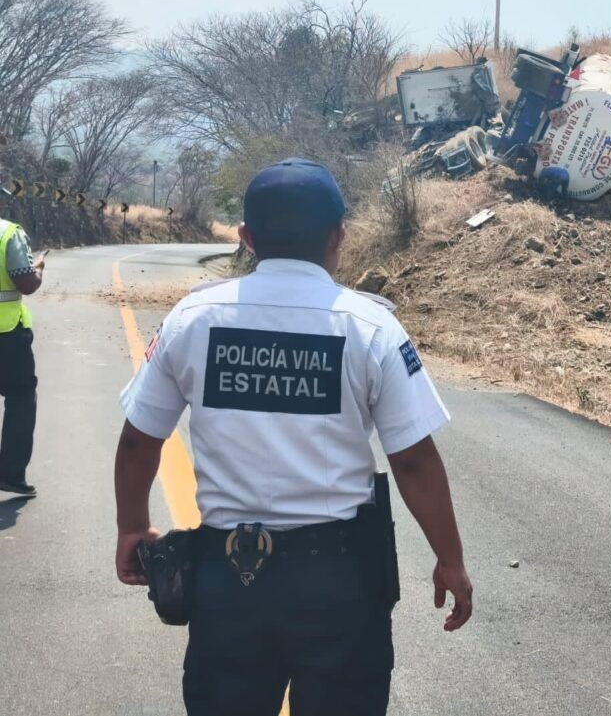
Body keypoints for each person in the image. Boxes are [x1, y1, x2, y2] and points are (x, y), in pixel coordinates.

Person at [113, 158, 472, 716]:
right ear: (339, 237)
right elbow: (415, 463)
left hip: (227, 581)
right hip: (340, 585)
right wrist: (450, 559)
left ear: (247, 238)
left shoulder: (193, 318)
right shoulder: (370, 327)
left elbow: (140, 440)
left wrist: (133, 527)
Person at [0, 209, 45, 497]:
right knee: (20, 399)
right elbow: (26, 283)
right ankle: (10, 474)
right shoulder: (8, 233)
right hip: (6, 335)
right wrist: (39, 267)